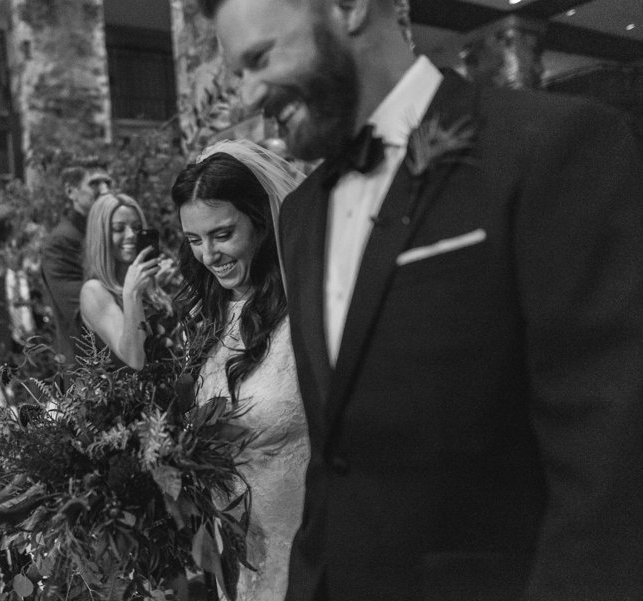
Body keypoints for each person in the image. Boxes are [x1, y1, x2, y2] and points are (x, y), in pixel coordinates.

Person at [198, 0, 643, 599]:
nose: (248, 97)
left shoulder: (550, 146)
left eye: (259, 59)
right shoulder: (301, 218)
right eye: (237, 75)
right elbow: (335, 462)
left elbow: (610, 465)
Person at [172, 139, 307, 601]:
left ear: (262, 223)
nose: (208, 256)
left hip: (307, 548)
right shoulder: (209, 316)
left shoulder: (305, 313)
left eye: (222, 234)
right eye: (194, 240)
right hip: (236, 555)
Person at [79, 193, 173, 370]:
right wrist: (132, 293)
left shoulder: (148, 284)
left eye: (137, 227)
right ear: (101, 236)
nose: (131, 235)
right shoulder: (94, 291)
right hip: (133, 394)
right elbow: (135, 358)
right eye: (119, 228)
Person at [41, 163, 113, 361]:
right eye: (94, 183)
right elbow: (82, 313)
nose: (105, 190)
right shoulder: (61, 241)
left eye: (108, 182)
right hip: (89, 365)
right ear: (71, 192)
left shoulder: (110, 233)